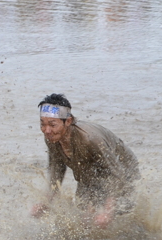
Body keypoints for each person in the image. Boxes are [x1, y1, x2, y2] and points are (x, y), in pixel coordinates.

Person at [30, 94, 140, 229]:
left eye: (52, 124)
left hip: (121, 167)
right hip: (88, 172)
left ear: (68, 121)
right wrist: (46, 201)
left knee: (125, 212)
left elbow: (116, 175)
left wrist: (108, 211)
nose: (47, 130)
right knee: (84, 219)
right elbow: (56, 170)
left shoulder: (90, 139)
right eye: (43, 124)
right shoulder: (52, 138)